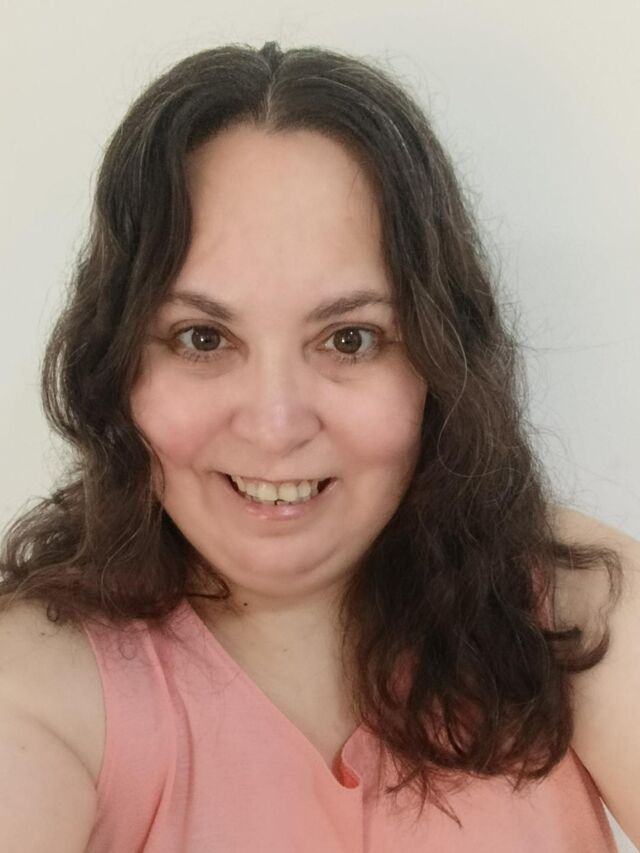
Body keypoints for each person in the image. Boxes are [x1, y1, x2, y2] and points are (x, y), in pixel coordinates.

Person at [0, 40, 638, 852]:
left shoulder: (577, 607)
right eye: (202, 337)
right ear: (116, 364)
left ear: (439, 363)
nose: (275, 425)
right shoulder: (35, 688)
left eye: (349, 339)